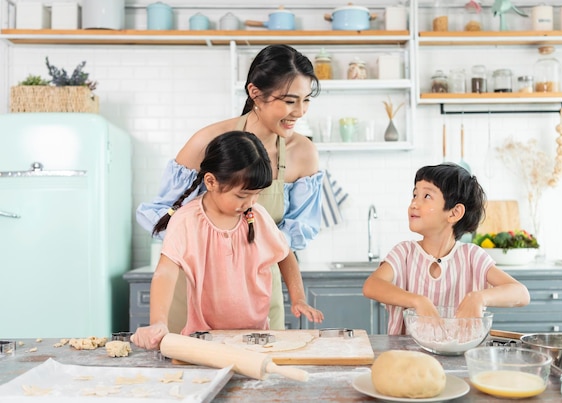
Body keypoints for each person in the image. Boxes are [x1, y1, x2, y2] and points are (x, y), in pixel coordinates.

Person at [136, 44, 325, 331]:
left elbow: (287, 243)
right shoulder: (207, 142)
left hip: (256, 293)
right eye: (289, 101)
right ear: (255, 93)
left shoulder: (304, 153)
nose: (299, 112)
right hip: (196, 291)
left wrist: (288, 289)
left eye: (306, 100)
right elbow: (167, 214)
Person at [132, 131, 307, 350]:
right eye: (242, 196)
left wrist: (298, 297)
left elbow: (285, 254)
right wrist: (158, 321)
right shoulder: (187, 220)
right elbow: (165, 272)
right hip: (205, 340)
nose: (251, 202)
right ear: (211, 182)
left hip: (256, 337)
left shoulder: (257, 216)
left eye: (257, 194)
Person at [362, 163, 530, 335]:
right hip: (408, 358)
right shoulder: (404, 253)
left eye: (426, 196)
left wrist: (479, 297)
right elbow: (371, 285)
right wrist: (418, 301)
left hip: (461, 356)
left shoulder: (472, 257)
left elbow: (521, 293)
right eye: (414, 195)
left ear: (454, 213)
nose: (414, 204)